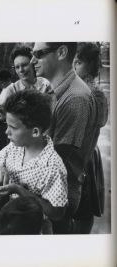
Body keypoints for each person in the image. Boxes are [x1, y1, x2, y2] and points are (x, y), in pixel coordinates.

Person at [30, 42, 98, 234]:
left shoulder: (75, 98)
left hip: (59, 193)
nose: (33, 60)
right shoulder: (55, 89)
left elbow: (59, 156)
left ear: (61, 52)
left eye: (39, 53)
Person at [0, 90, 68, 235]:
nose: (6, 132)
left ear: (35, 132)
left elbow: (57, 213)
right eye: (7, 125)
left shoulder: (53, 167)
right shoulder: (14, 147)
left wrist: (18, 190)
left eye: (13, 128)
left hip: (35, 230)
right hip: (9, 221)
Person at [72, 42, 108, 234]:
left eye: (77, 63)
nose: (74, 67)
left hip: (84, 155)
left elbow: (95, 128)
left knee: (83, 210)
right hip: (78, 155)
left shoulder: (94, 93)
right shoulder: (78, 89)